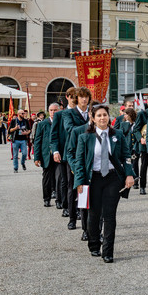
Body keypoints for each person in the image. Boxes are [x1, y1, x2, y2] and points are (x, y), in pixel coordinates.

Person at [74, 104, 135, 263]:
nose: (102, 118)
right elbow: (79, 162)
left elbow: (126, 156)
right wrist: (79, 182)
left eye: (105, 115)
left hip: (112, 179)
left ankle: (108, 251)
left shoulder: (118, 135)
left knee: (109, 215)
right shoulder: (85, 137)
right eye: (99, 115)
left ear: (109, 117)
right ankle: (94, 244)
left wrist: (129, 174)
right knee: (93, 215)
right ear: (93, 119)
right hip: (93, 179)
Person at [61, 87, 91, 231]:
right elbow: (70, 129)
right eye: (81, 97)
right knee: (73, 187)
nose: (84, 99)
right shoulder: (68, 113)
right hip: (73, 155)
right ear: (76, 99)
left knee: (86, 189)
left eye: (86, 97)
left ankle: (85, 217)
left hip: (89, 154)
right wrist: (89, 125)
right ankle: (72, 218)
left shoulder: (92, 112)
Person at [34, 104, 59, 207]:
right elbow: (37, 141)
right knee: (47, 178)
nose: (53, 112)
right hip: (46, 155)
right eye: (51, 110)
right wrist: (37, 157)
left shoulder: (61, 123)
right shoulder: (43, 124)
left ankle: (59, 200)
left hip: (58, 155)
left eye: (55, 110)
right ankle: (46, 198)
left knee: (60, 178)